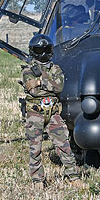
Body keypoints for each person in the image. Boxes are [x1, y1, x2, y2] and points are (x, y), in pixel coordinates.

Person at [21, 34, 84, 189]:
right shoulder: (28, 69)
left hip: (53, 114)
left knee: (64, 146)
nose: (42, 53)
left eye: (45, 49)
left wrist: (40, 81)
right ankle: (38, 181)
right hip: (35, 114)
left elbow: (59, 87)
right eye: (39, 50)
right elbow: (33, 91)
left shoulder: (56, 68)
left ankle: (73, 177)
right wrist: (48, 82)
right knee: (35, 149)